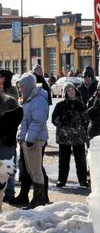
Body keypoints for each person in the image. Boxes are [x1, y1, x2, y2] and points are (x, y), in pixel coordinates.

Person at [15, 73, 50, 208]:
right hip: (28, 140)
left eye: (22, 87)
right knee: (31, 170)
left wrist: (29, 139)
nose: (20, 89)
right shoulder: (29, 98)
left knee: (35, 170)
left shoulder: (38, 99)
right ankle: (37, 199)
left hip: (34, 140)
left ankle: (38, 200)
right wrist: (21, 138)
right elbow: (24, 122)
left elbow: (38, 121)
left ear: (28, 86)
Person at [51, 83, 89, 188]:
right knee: (64, 160)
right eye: (68, 90)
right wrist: (63, 118)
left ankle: (83, 180)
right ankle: (61, 180)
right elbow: (54, 120)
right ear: (65, 93)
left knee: (80, 160)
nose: (71, 91)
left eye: (72, 89)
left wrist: (82, 114)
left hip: (78, 137)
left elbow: (86, 120)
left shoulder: (80, 104)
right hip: (64, 137)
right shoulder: (60, 105)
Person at [0, 86, 22, 202]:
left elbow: (17, 119)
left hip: (7, 142)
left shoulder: (10, 101)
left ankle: (9, 193)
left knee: (9, 167)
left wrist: (7, 131)